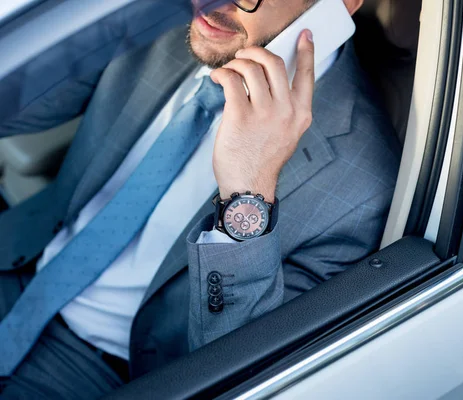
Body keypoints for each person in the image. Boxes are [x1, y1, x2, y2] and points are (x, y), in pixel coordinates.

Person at [0, 0, 401, 397]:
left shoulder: (362, 187)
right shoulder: (161, 22)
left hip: (105, 372)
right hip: (20, 268)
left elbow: (238, 366)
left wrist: (249, 190)